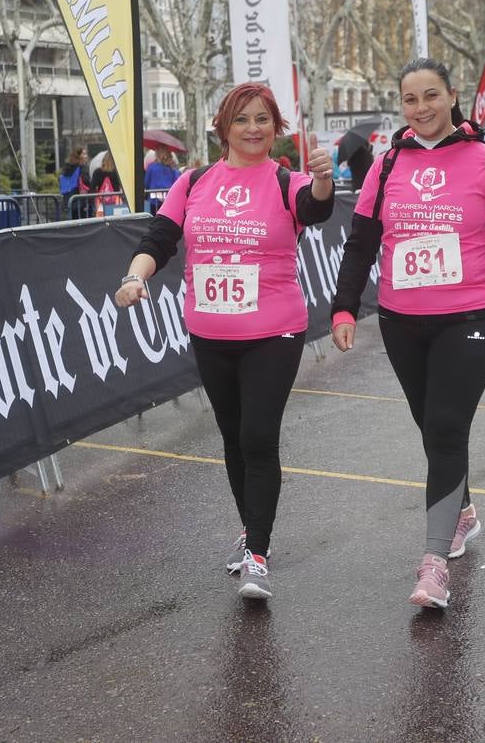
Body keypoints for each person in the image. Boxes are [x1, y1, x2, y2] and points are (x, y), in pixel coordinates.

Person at [330, 58, 485, 610]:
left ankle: (433, 563)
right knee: (433, 426)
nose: (421, 109)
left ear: (453, 96)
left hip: (470, 319)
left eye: (431, 96)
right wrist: (344, 310)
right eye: (410, 100)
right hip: (400, 321)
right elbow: (361, 244)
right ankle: (462, 513)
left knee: (442, 425)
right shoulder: (386, 165)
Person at [114, 82, 335, 600]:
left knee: (258, 436)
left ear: (275, 127)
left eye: (262, 119)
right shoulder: (193, 182)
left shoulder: (288, 181)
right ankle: (250, 529)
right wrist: (134, 277)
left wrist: (324, 181)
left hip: (274, 330)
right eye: (243, 120)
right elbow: (160, 238)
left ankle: (258, 553)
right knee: (234, 438)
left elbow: (316, 208)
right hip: (210, 330)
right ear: (224, 128)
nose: (253, 129)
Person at [144, 144, 181, 213]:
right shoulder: (172, 168)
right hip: (169, 198)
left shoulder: (151, 167)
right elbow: (177, 182)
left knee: (155, 217)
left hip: (154, 199)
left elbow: (146, 183)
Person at [60, 144, 91, 218]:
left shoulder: (67, 168)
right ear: (79, 156)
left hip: (68, 200)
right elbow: (86, 181)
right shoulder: (82, 167)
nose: (86, 156)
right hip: (81, 201)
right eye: (84, 154)